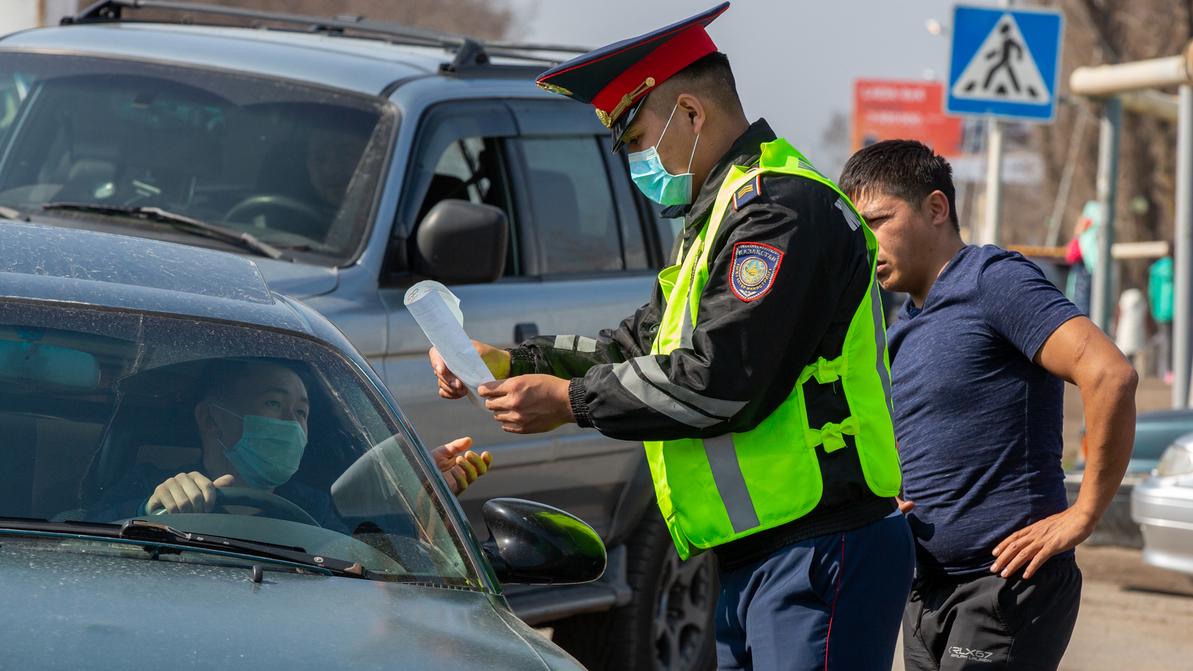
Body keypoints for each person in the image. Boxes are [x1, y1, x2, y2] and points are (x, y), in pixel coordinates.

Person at [429, 4, 913, 668]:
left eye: (634, 141)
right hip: (761, 553)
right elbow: (635, 347)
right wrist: (510, 359)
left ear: (690, 114)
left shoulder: (779, 213)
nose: (634, 163)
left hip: (818, 547)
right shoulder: (721, 214)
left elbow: (719, 380)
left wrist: (569, 402)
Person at [839, 139, 1136, 671]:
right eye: (857, 228)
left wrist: (1084, 514)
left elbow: (1110, 374)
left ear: (935, 208)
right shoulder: (902, 325)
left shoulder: (994, 281)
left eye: (879, 220)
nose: (867, 242)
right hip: (927, 591)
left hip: (1005, 587)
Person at [93, 359, 490, 525]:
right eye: (273, 403)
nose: (292, 423)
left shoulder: (317, 508)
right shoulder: (146, 484)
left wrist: (419, 502)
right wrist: (147, 510)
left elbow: (384, 564)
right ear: (210, 418)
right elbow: (75, 530)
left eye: (301, 413)